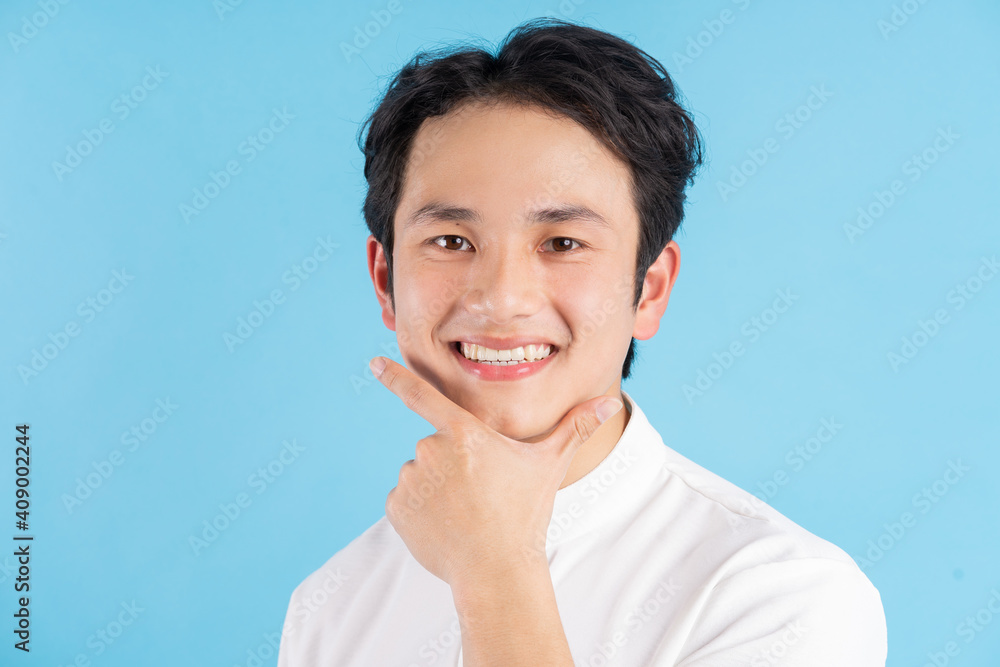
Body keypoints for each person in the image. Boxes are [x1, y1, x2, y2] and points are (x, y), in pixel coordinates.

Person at [277, 17, 887, 666]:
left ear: (649, 288)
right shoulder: (330, 604)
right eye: (452, 241)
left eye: (562, 243)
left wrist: (497, 573)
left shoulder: (786, 597)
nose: (502, 298)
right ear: (384, 279)